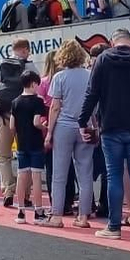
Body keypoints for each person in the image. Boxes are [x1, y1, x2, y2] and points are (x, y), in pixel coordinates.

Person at [81, 28, 130, 238]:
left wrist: (82, 121)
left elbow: (92, 93)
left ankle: (114, 226)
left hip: (111, 127)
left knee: (114, 176)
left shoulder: (103, 60)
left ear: (113, 43)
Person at [47, 39, 96, 229]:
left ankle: (56, 216)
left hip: (64, 126)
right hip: (85, 125)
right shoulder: (90, 75)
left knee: (59, 172)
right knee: (85, 172)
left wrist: (49, 132)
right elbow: (93, 105)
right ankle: (83, 216)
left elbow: (55, 107)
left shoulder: (59, 77)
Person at [0, 38, 34, 196]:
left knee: (2, 154)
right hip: (24, 113)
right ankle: (26, 192)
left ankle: (8, 189)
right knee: (25, 152)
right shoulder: (30, 66)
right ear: (25, 49)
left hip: (4, 113)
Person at [10, 67, 49, 222]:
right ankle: (38, 211)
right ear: (33, 84)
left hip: (22, 142)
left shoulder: (15, 102)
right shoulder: (38, 101)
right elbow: (36, 122)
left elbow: (12, 126)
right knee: (36, 176)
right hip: (35, 142)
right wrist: (44, 127)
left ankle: (20, 212)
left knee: (21, 175)